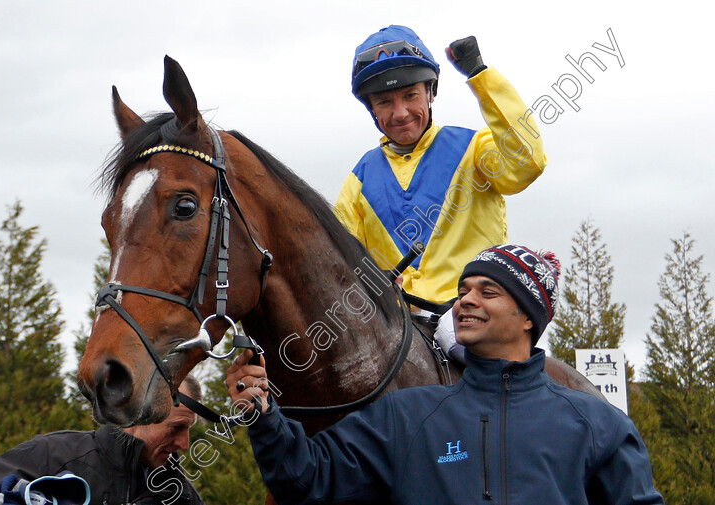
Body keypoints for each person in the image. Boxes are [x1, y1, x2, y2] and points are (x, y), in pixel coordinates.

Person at [227, 245, 664, 505]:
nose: (464, 302)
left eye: (487, 292)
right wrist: (264, 415)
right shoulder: (405, 415)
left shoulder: (599, 425)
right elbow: (308, 480)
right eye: (463, 291)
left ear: (528, 317)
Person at [334, 26, 547, 307]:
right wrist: (365, 280)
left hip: (473, 316)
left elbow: (527, 163)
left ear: (430, 92)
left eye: (410, 96)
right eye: (385, 102)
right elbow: (338, 261)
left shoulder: (475, 148)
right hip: (398, 327)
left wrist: (479, 74)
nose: (400, 113)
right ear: (371, 109)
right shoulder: (358, 180)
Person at [0, 376, 205, 505]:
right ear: (135, 414)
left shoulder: (179, 493)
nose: (184, 444)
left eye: (189, 429)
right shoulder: (48, 456)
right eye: (176, 428)